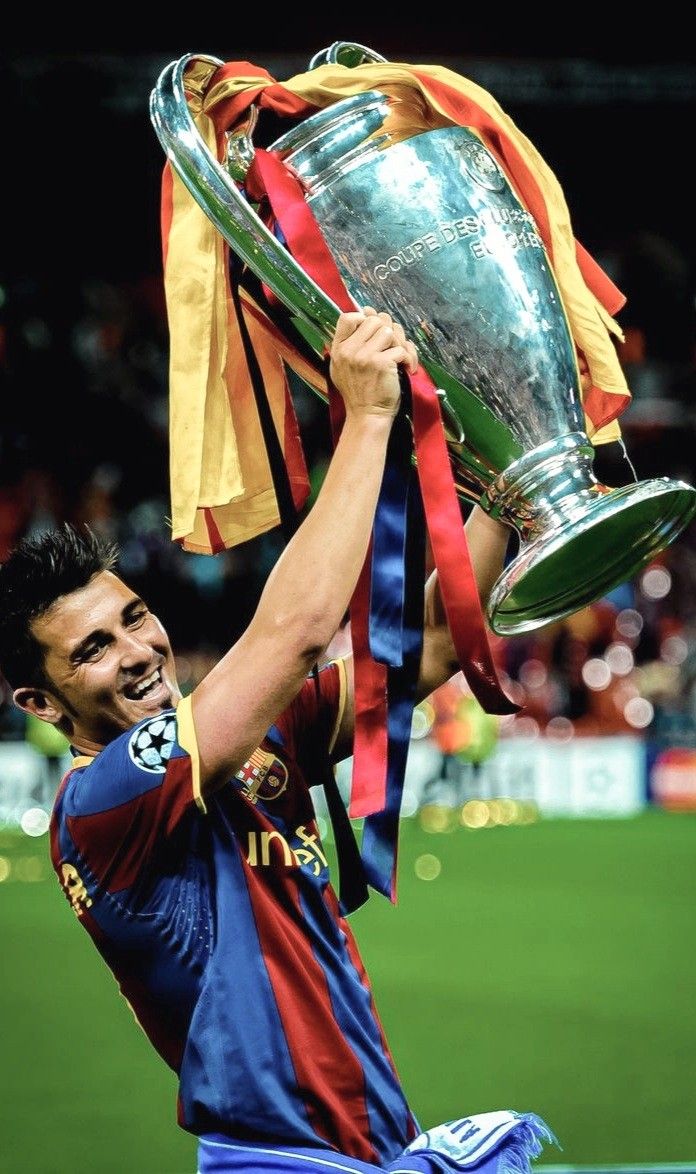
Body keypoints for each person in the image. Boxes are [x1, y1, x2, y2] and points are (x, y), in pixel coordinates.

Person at [0, 308, 553, 1174]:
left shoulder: (255, 740)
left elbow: (439, 641)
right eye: (93, 652)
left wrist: (526, 457)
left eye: (135, 619)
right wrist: (367, 418)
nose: (139, 653)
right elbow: (292, 634)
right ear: (41, 701)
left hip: (364, 1143)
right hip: (279, 1160)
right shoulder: (103, 802)